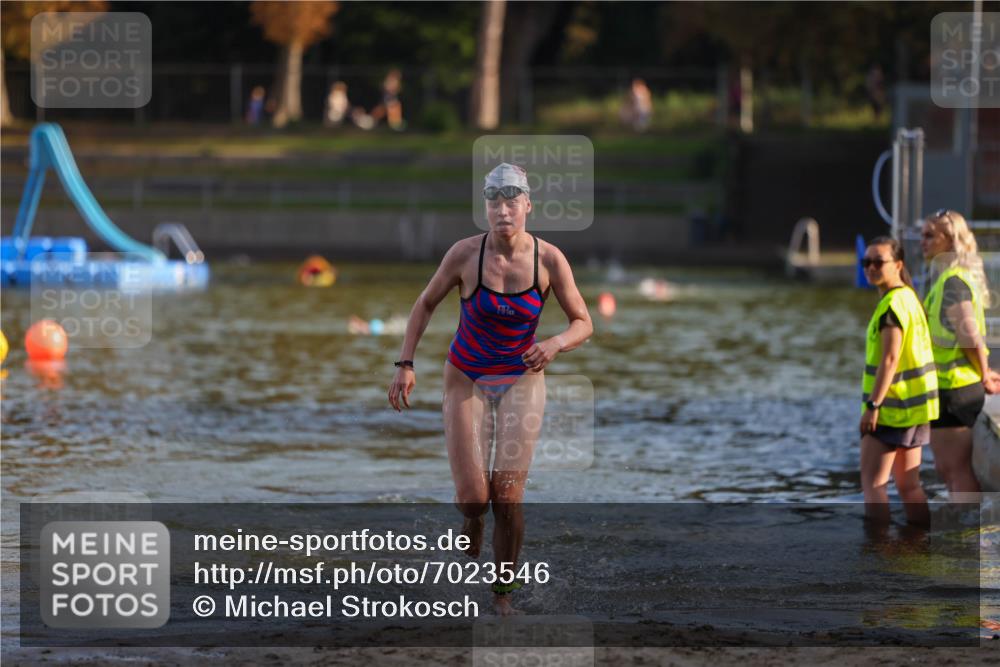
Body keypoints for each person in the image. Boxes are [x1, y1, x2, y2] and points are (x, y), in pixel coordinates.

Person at [387, 163, 593, 615]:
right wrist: (405, 363)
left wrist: (554, 344)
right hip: (467, 375)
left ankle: (502, 599)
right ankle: (471, 519)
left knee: (509, 494)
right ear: (486, 208)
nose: (503, 210)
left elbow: (584, 322)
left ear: (527, 206)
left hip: (522, 376)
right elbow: (424, 305)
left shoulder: (549, 259)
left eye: (511, 201)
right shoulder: (464, 254)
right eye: (495, 202)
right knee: (475, 499)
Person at [859, 236, 939, 527]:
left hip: (891, 409)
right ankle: (920, 543)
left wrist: (873, 405)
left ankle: (877, 557)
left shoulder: (892, 306)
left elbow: (890, 359)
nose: (871, 267)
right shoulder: (909, 298)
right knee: (909, 486)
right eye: (866, 262)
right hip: (915, 409)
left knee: (874, 484)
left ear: (899, 264)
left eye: (879, 262)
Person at [921, 209, 999, 498]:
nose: (922, 242)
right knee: (950, 470)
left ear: (950, 241)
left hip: (954, 389)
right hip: (951, 387)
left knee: (954, 471)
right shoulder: (950, 279)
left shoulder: (952, 281)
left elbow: (969, 336)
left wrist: (984, 374)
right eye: (922, 236)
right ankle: (963, 535)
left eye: (930, 236)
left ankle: (965, 539)